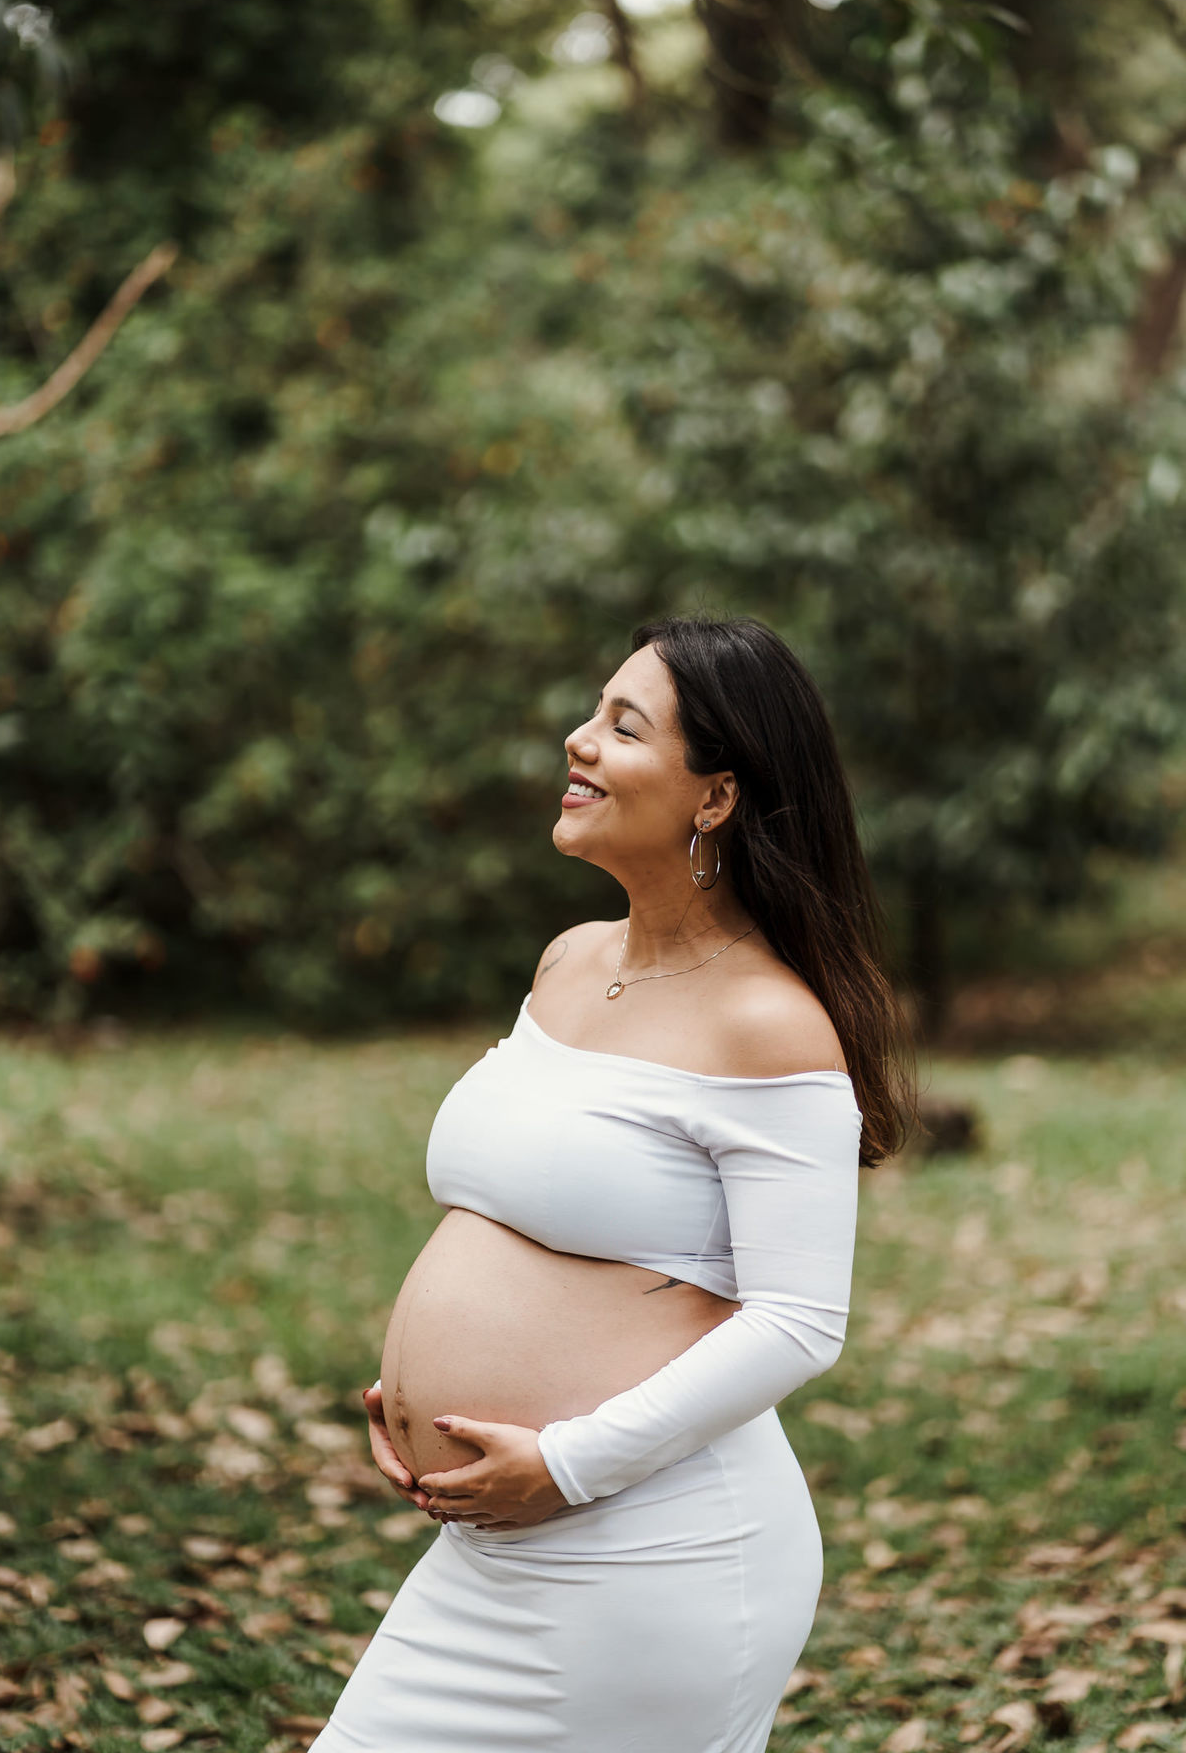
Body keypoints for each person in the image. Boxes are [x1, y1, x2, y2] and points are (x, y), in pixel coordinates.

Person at [311, 614, 914, 1753]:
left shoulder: (768, 1023)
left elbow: (799, 1324)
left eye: (623, 727)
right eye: (592, 713)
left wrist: (566, 1463)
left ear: (716, 798)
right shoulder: (570, 960)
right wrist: (417, 1389)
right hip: (493, 1547)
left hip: (652, 1553)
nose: (579, 742)